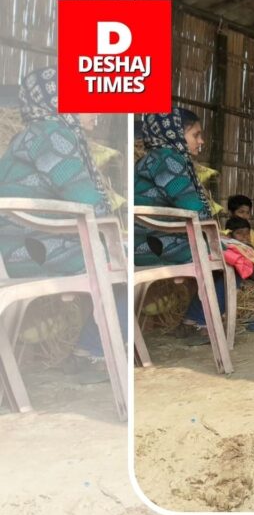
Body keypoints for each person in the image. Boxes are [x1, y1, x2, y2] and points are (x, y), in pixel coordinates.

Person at [0, 67, 126, 383]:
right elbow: (88, 203)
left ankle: (91, 350)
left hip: (20, 247)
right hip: (34, 250)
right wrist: (113, 237)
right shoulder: (52, 134)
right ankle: (95, 352)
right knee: (126, 261)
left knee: (119, 255)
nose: (97, 111)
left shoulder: (34, 135)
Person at [136, 108, 231, 346]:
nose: (201, 141)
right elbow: (194, 209)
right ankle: (196, 321)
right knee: (233, 258)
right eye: (195, 134)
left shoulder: (158, 158)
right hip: (154, 243)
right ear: (175, 134)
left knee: (230, 252)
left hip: (153, 239)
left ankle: (195, 321)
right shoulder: (167, 159)